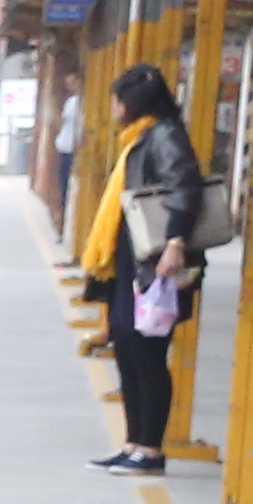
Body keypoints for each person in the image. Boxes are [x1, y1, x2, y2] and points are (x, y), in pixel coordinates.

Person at [94, 60, 201, 477]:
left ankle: (151, 449)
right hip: (132, 259)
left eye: (117, 100)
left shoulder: (165, 136)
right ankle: (133, 443)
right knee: (126, 344)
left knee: (147, 352)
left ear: (132, 102)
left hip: (156, 261)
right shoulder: (141, 138)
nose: (114, 109)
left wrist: (176, 242)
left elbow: (184, 188)